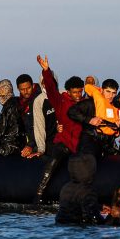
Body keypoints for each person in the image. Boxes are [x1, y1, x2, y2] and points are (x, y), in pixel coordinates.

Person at [34, 55, 84, 202]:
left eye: (80, 91)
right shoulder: (61, 101)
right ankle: (39, 193)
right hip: (64, 142)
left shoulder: (86, 103)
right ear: (68, 91)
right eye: (74, 92)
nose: (77, 95)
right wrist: (46, 70)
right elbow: (50, 88)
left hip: (79, 144)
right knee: (53, 160)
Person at [15, 73, 56, 156]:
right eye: (22, 89)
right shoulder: (20, 103)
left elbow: (40, 126)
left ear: (33, 85)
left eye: (28, 88)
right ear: (18, 89)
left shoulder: (41, 100)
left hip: (45, 143)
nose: (26, 91)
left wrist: (31, 145)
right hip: (32, 143)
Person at [55, 154, 103, 225]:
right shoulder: (87, 190)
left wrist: (99, 207)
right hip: (78, 225)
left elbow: (74, 205)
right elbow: (94, 218)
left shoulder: (66, 187)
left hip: (61, 223)